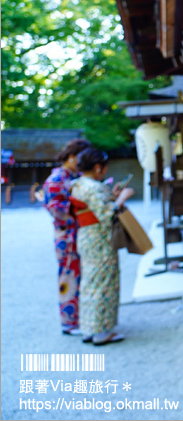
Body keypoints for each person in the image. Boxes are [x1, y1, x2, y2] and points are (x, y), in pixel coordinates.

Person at [70, 148, 134, 345]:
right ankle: (102, 331)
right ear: (98, 167)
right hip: (100, 239)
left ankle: (89, 328)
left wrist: (112, 195)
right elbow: (107, 215)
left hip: (86, 236)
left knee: (90, 283)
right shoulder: (94, 188)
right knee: (104, 283)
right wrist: (122, 198)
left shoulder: (78, 185)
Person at [42, 138, 91, 336]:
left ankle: (79, 318)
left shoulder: (69, 177)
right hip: (66, 234)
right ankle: (69, 322)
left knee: (78, 276)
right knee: (68, 277)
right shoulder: (56, 180)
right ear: (71, 158)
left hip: (74, 233)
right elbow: (56, 211)